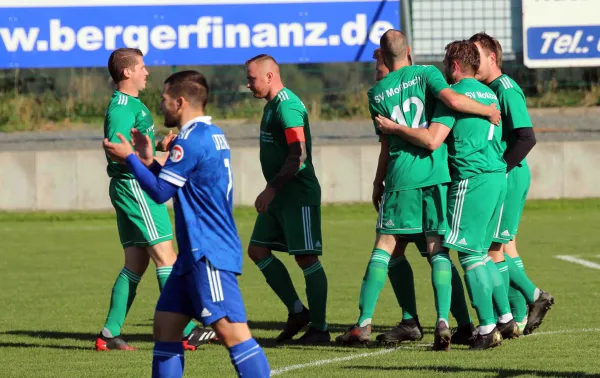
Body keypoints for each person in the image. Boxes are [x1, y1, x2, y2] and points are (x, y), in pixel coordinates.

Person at [336, 30, 500, 346]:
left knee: (385, 247)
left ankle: (364, 324)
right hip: (436, 176)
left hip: (400, 178)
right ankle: (450, 322)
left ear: (382, 58)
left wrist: (376, 182)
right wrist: (487, 110)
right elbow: (451, 99)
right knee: (438, 250)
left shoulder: (377, 93)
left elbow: (386, 144)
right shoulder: (426, 74)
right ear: (409, 51)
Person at [103, 70, 270, 378]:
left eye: (165, 99)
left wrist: (131, 159)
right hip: (191, 258)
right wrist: (149, 159)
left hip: (209, 254)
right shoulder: (210, 134)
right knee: (165, 327)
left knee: (233, 333)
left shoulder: (189, 141)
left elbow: (159, 192)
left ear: (179, 102)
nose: (162, 105)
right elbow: (177, 181)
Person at [376, 40, 516, 350]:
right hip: (497, 176)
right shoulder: (488, 93)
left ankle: (486, 327)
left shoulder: (455, 97)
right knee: (483, 253)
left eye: (444, 63)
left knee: (468, 255)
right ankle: (504, 317)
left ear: (453, 66)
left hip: (472, 178)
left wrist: (394, 128)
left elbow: (431, 139)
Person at [98, 48, 212, 351]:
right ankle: (185, 330)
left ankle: (109, 333)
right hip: (136, 187)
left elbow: (131, 150)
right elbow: (115, 148)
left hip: (130, 184)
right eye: (142, 67)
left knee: (135, 265)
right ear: (127, 72)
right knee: (166, 257)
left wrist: (159, 149)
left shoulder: (128, 104)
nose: (146, 72)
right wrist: (152, 159)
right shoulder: (122, 106)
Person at [470, 32, 554, 335]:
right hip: (504, 173)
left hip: (509, 172)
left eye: (476, 56)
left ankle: (530, 299)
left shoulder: (505, 89)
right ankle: (518, 317)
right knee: (504, 246)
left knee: (493, 249)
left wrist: (500, 169)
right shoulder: (486, 89)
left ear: (492, 57)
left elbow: (527, 137)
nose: (472, 62)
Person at [244, 54, 330, 344]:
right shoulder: (271, 105)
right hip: (280, 194)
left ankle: (319, 328)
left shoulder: (288, 105)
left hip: (298, 194)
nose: (248, 83)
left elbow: (299, 154)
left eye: (252, 78)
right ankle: (297, 312)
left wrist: (271, 188)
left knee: (306, 258)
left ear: (269, 76)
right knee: (257, 250)